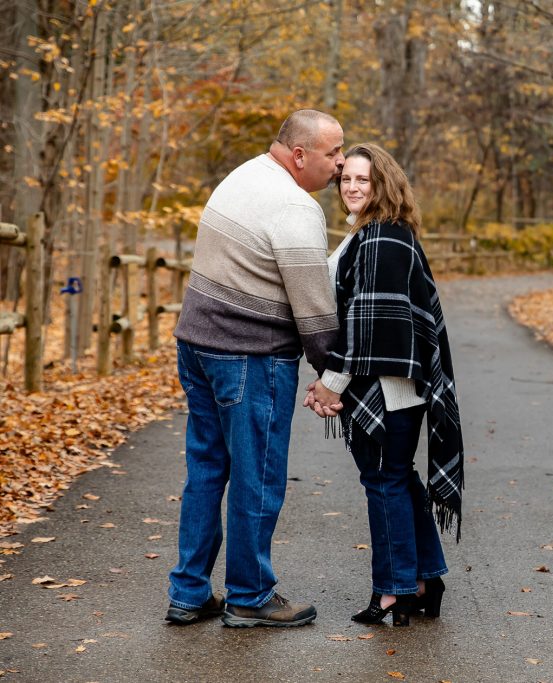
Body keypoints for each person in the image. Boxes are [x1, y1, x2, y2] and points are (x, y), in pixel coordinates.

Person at [166, 109, 345, 628]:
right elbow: (314, 311)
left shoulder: (242, 175)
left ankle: (189, 592)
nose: (338, 165)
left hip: (196, 344)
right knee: (257, 477)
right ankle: (249, 595)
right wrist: (332, 377)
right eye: (333, 154)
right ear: (299, 155)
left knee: (206, 470)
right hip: (249, 354)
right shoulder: (295, 206)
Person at [305, 143, 465, 627]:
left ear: (384, 185)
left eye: (363, 180)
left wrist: (331, 384)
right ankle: (423, 578)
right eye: (346, 179)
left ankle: (394, 590)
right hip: (392, 388)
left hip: (384, 390)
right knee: (397, 478)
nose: (351, 187)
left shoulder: (380, 238)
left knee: (384, 481)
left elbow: (366, 325)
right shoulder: (380, 233)